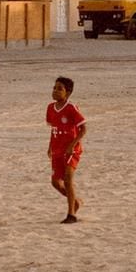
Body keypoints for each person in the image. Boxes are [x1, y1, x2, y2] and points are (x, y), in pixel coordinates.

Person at [46, 75, 86, 223]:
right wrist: (50, 146)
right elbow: (53, 129)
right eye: (54, 88)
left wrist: (72, 145)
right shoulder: (50, 108)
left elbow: (83, 129)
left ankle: (71, 214)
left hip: (71, 150)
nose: (55, 91)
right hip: (57, 149)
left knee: (68, 178)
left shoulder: (71, 108)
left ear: (68, 93)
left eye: (60, 89)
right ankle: (74, 201)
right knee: (55, 182)